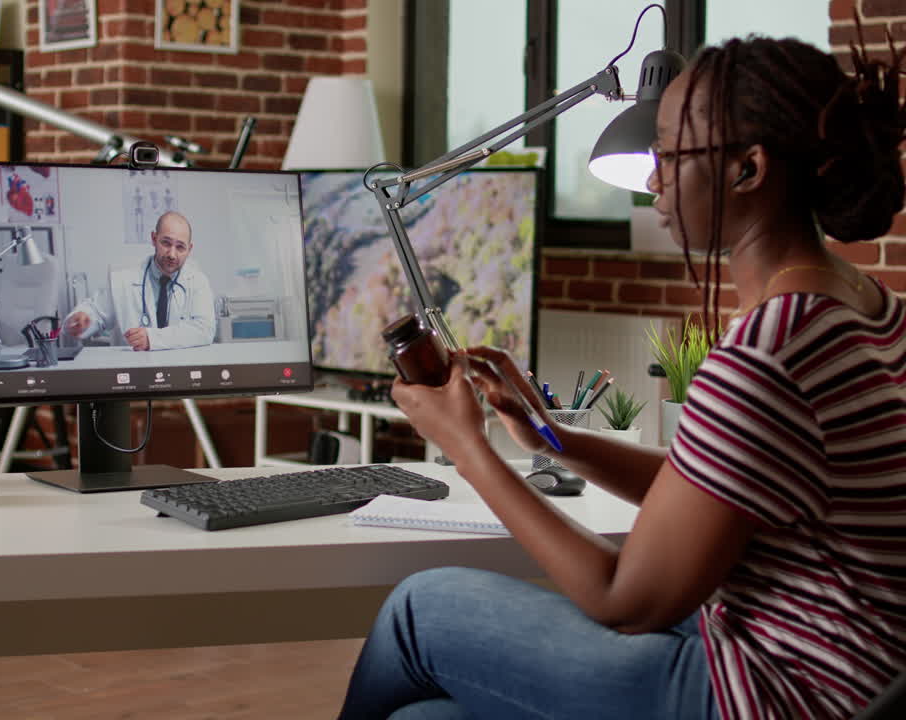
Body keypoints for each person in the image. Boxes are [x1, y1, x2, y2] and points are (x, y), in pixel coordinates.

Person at [337, 32, 906, 720]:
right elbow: (711, 491)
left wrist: (468, 447)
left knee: (416, 610)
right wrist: (552, 438)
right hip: (856, 682)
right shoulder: (870, 305)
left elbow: (626, 600)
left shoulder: (769, 350)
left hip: (776, 695)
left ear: (748, 170)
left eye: (670, 151)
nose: (654, 176)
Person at [63, 210, 216, 351]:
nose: (172, 254)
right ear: (154, 239)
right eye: (166, 243)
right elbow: (96, 312)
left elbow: (204, 330)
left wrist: (152, 339)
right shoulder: (122, 280)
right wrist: (81, 320)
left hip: (181, 372)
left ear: (189, 249)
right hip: (133, 372)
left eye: (180, 247)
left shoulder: (198, 282)